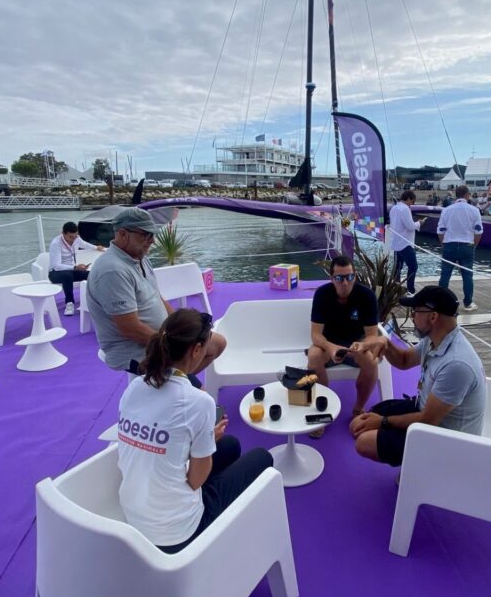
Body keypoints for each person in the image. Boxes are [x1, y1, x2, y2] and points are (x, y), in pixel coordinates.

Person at [117, 308, 272, 553]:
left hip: (134, 516)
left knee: (230, 445)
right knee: (263, 457)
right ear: (196, 350)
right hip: (178, 532)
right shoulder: (198, 402)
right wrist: (206, 439)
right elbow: (195, 480)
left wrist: (206, 441)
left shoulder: (135, 387)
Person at [348, 286, 485, 467]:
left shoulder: (456, 365)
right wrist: (385, 344)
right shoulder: (435, 339)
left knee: (364, 442)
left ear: (433, 317)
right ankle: (415, 462)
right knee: (357, 424)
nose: (412, 316)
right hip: (424, 409)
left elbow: (428, 422)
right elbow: (404, 361)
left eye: (415, 311)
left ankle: (423, 468)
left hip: (447, 437)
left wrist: (383, 421)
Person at [87, 207, 227, 376]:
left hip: (159, 337)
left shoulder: (140, 257)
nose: (152, 240)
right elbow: (130, 328)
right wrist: (175, 345)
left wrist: (180, 327)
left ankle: (175, 384)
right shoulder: (112, 271)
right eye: (146, 234)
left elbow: (157, 297)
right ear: (123, 234)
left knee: (217, 343)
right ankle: (175, 384)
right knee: (199, 382)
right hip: (134, 349)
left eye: (153, 234)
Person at [307, 255, 382, 421]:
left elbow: (371, 336)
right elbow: (316, 335)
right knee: (313, 356)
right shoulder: (322, 294)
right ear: (332, 278)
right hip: (328, 345)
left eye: (350, 277)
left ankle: (359, 408)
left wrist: (361, 346)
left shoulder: (366, 296)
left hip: (356, 345)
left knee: (371, 361)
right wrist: (331, 347)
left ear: (355, 276)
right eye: (339, 278)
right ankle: (322, 409)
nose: (345, 283)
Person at [437, 184, 484, 312]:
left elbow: (440, 230)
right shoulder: (474, 210)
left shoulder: (446, 210)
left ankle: (440, 302)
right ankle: (468, 303)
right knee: (467, 276)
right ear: (467, 195)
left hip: (449, 245)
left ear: (456, 194)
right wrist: (474, 245)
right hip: (466, 246)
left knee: (445, 274)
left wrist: (443, 244)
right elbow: (478, 231)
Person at [47, 221, 103, 316]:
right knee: (67, 275)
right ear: (63, 233)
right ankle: (69, 303)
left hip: (72, 270)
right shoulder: (55, 244)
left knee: (91, 274)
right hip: (55, 273)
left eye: (75, 236)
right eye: (70, 237)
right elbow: (57, 265)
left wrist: (96, 247)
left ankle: (94, 301)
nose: (73, 239)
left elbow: (84, 244)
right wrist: (76, 267)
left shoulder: (76, 238)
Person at [389, 190, 423, 293]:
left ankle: (396, 289)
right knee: (413, 266)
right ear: (408, 199)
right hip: (405, 243)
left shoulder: (393, 208)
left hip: (396, 242)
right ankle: (411, 290)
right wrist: (419, 223)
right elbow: (410, 226)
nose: (411, 204)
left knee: (397, 268)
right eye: (412, 202)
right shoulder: (405, 209)